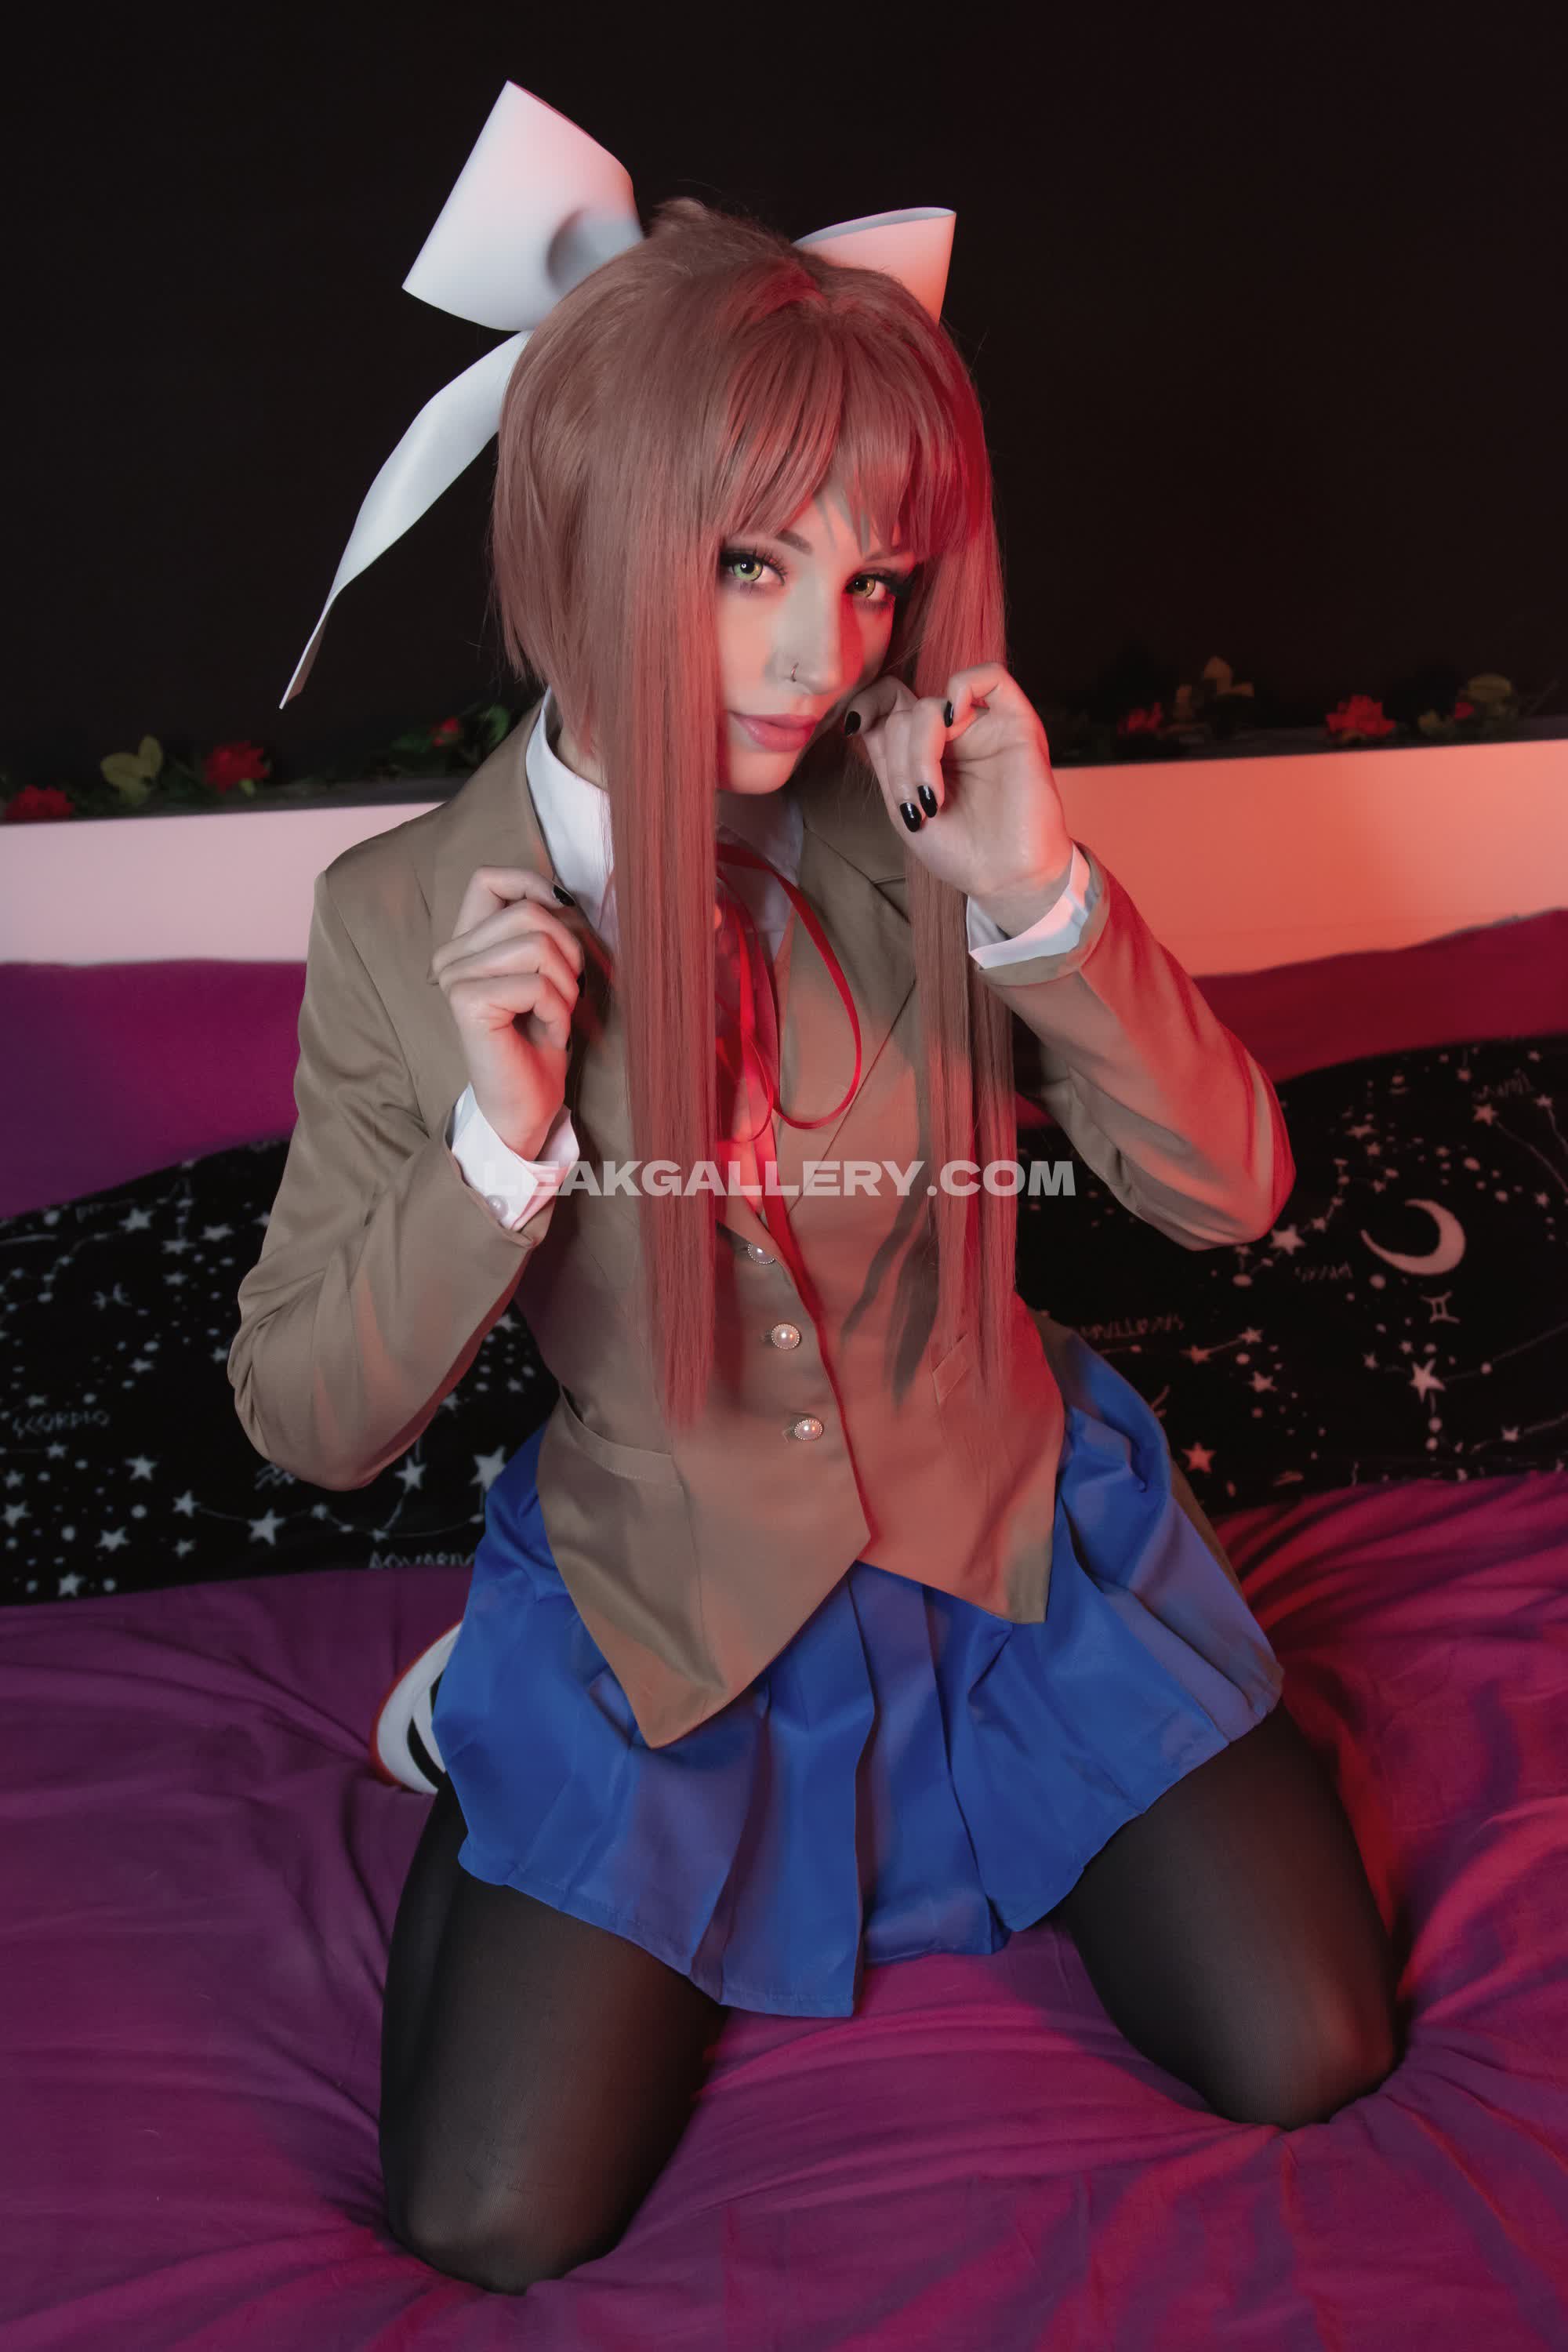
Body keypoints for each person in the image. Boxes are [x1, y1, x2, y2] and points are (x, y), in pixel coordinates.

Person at [231, 192, 1400, 2299]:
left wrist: (1042, 906)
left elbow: (1233, 1193)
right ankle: (491, 1723)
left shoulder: (925, 804)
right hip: (668, 1598)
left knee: (1309, 2049)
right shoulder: (396, 920)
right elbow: (305, 1416)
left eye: (869, 579)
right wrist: (497, 1150)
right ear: (587, 533)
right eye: (749, 565)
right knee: (490, 2217)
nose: (822, 654)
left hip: (1006, 1551)